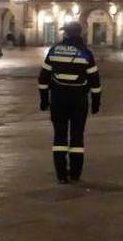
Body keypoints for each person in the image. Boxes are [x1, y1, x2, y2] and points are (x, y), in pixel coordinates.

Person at [37, 21, 101, 184]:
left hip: (58, 99)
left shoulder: (54, 50)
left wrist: (44, 99)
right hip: (79, 100)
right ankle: (75, 173)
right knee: (77, 137)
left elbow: (43, 78)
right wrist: (96, 102)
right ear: (80, 34)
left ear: (66, 34)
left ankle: (61, 175)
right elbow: (95, 80)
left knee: (59, 136)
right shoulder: (86, 53)